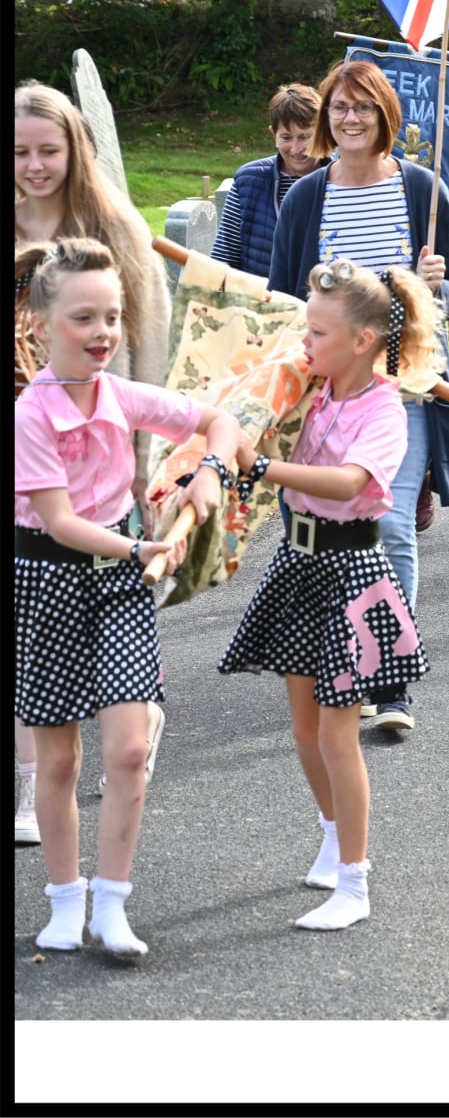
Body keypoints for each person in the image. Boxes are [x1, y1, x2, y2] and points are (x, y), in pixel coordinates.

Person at [15, 237, 240, 954]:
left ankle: (112, 904)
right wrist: (143, 548)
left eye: (112, 316)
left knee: (130, 747)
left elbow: (219, 420)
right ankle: (64, 900)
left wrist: (211, 474)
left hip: (118, 582)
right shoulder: (31, 414)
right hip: (49, 576)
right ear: (40, 325)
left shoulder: (122, 393)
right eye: (83, 318)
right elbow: (60, 521)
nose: (103, 333)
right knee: (57, 761)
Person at [221, 260, 436, 930]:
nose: (304, 342)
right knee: (306, 729)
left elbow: (346, 482)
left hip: (350, 572)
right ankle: (332, 834)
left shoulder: (386, 410)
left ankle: (355, 883)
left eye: (317, 332)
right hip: (298, 563)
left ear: (364, 340)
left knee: (341, 735)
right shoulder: (310, 389)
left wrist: (258, 467)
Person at [268, 59, 449, 734]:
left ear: (387, 115)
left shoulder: (422, 189)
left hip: (400, 385)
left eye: (362, 107)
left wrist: (437, 285)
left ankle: (390, 680)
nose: (349, 118)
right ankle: (342, 658)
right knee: (332, 531)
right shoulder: (306, 198)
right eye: (339, 108)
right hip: (326, 393)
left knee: (387, 526)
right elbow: (282, 298)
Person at [15, 83, 173, 845]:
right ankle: (38, 774)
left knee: (98, 591)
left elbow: (147, 334)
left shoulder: (108, 222)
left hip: (100, 446)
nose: (35, 165)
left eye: (49, 150)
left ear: (75, 148)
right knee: (29, 613)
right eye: (20, 152)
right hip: (25, 435)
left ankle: (131, 711)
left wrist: (149, 459)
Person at [212, 84, 328, 278]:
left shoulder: (340, 181)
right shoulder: (249, 181)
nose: (296, 148)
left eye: (305, 137)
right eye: (286, 137)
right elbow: (223, 257)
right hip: (257, 304)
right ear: (273, 134)